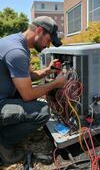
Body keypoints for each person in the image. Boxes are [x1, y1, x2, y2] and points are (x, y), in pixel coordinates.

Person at [0, 16, 67, 164]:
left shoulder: (17, 42)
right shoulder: (16, 51)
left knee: (33, 101)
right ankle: (4, 143)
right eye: (48, 40)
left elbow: (26, 77)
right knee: (42, 111)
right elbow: (28, 94)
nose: (48, 46)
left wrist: (47, 71)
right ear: (39, 31)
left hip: (4, 96)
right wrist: (55, 84)